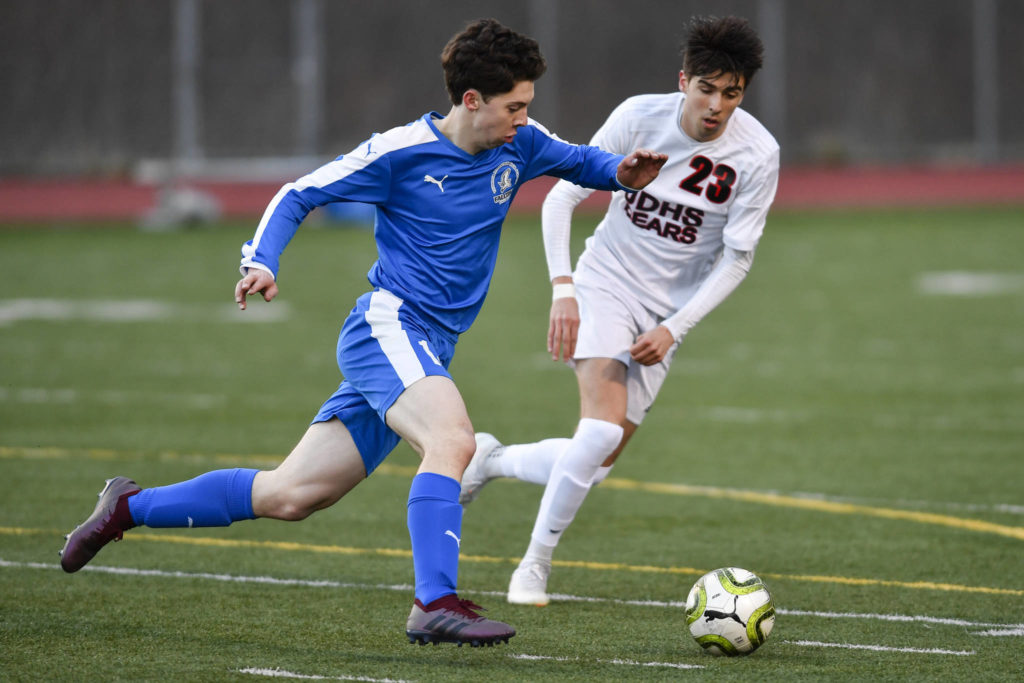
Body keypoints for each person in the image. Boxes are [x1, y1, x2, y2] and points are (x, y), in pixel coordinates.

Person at [58, 18, 666, 646]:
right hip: (389, 326)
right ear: (472, 101)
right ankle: (435, 602)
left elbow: (582, 161)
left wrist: (623, 171)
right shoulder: (399, 152)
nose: (524, 117)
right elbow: (299, 193)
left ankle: (125, 507)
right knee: (453, 442)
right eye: (514, 105)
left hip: (429, 345)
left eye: (528, 106)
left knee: (290, 494)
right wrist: (261, 260)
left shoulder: (520, 142)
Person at [460, 15, 779, 606]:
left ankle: (492, 459)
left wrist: (673, 327)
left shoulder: (758, 154)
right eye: (705, 88)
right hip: (605, 282)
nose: (715, 105)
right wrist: (565, 288)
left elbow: (736, 259)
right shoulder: (638, 116)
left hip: (666, 316)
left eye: (730, 94)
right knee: (600, 428)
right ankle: (533, 565)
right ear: (683, 80)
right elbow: (564, 195)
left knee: (596, 460)